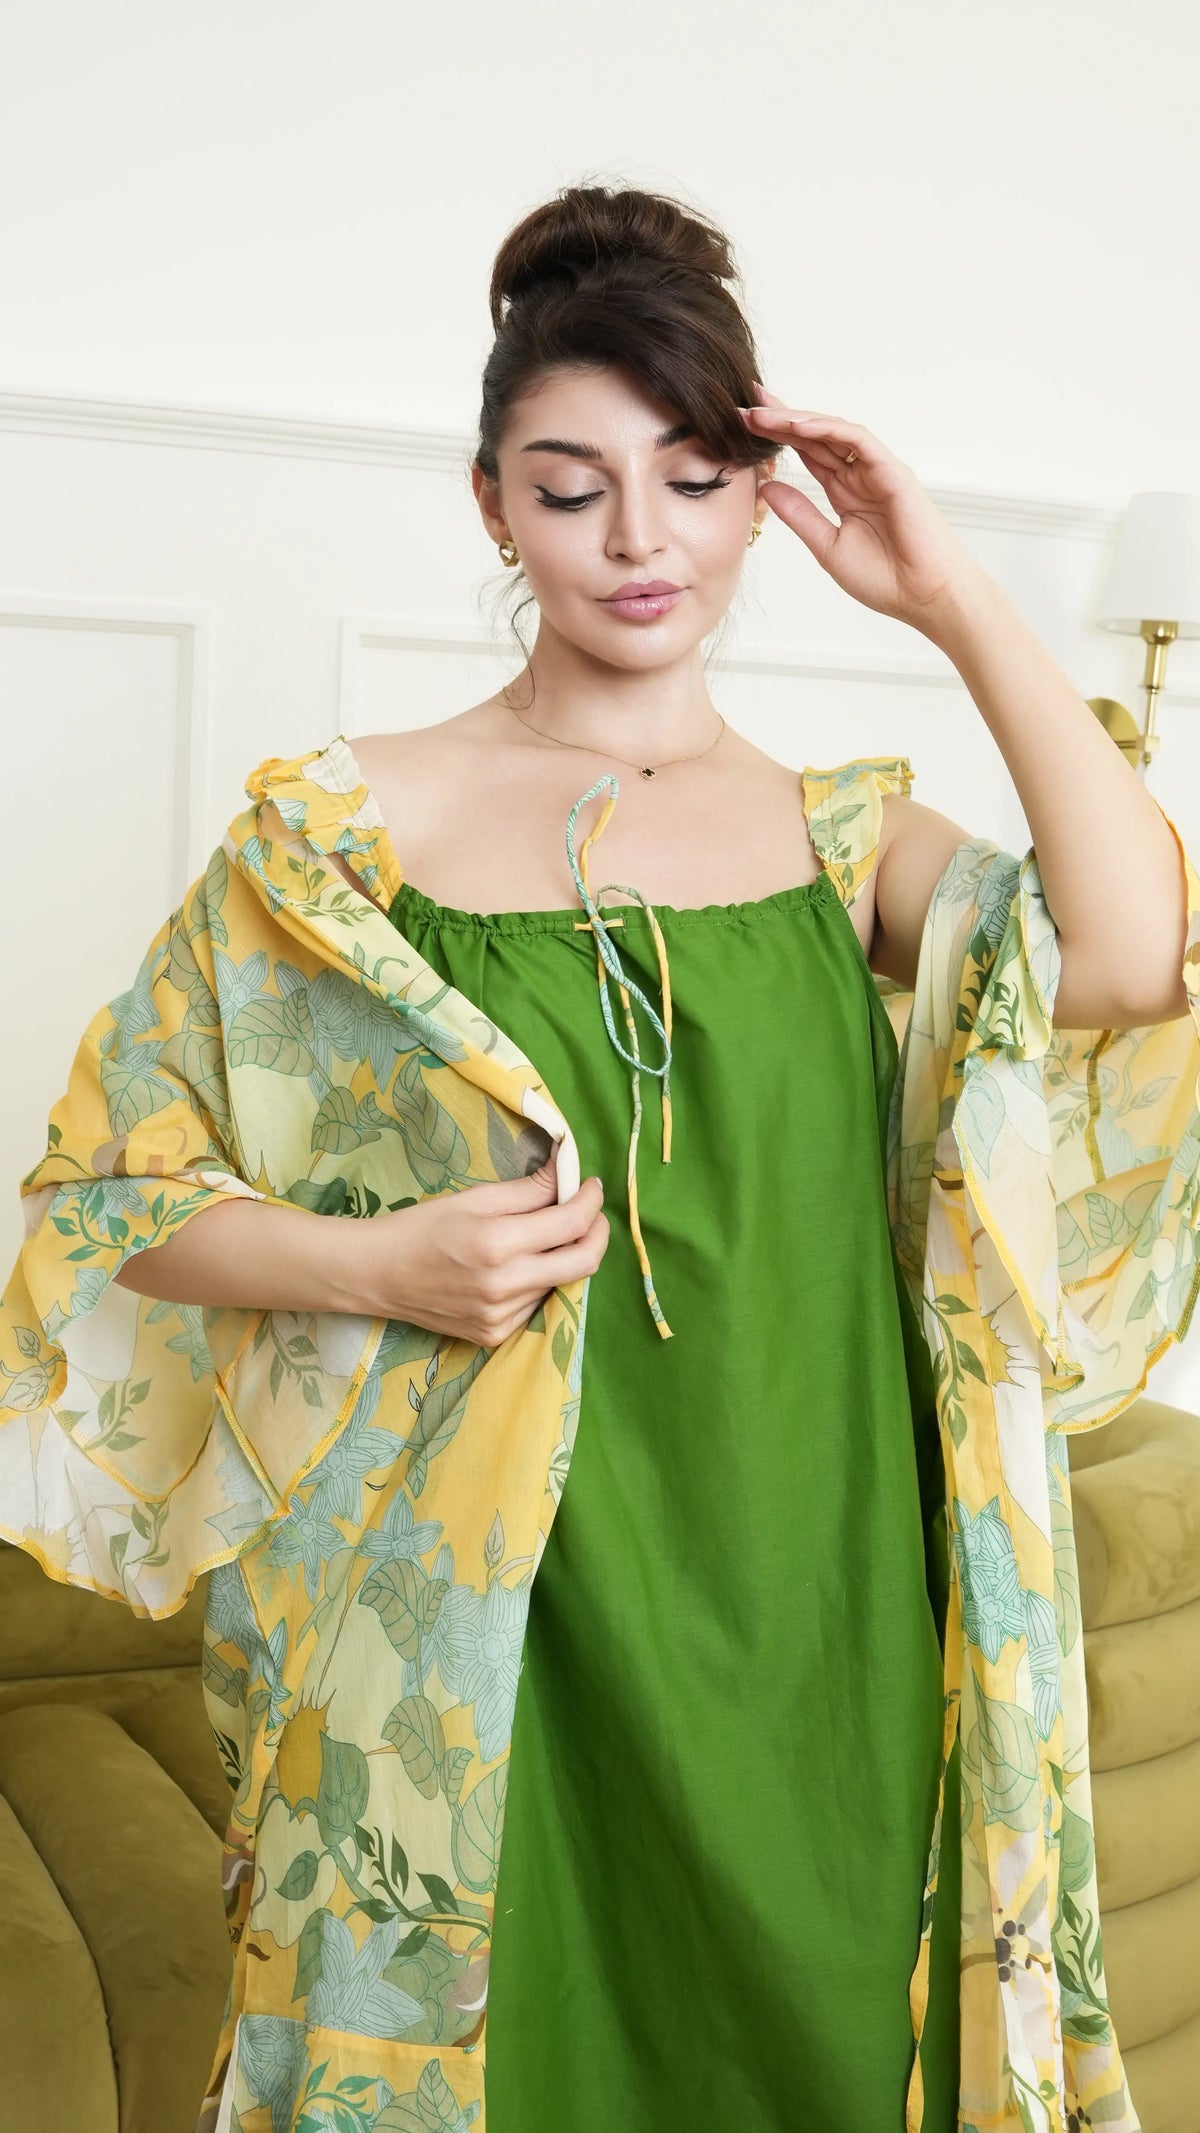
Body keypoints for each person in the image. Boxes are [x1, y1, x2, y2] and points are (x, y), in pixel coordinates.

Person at [2, 181, 1198, 2133]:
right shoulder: (344, 837)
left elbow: (1135, 958)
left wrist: (952, 595)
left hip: (821, 1591)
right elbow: (108, 1193)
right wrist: (380, 1263)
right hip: (477, 1628)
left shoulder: (844, 844)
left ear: (759, 497)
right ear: (492, 504)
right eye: (572, 488)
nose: (641, 537)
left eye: (694, 477)